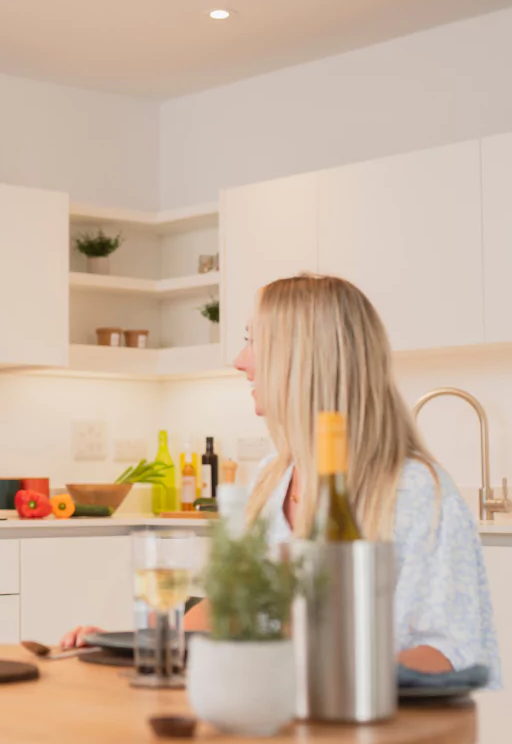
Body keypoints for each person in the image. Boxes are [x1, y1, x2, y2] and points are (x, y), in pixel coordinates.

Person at [63, 274, 501, 682]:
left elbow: (451, 655)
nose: (240, 361)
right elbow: (234, 604)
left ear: (306, 359)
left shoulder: (415, 491)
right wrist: (134, 646)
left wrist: (320, 675)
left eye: (253, 342)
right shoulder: (275, 475)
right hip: (271, 722)